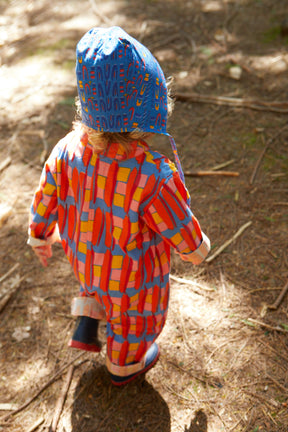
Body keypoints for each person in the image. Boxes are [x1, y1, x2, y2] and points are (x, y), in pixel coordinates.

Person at [28, 26, 210, 386]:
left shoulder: (67, 148)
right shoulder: (152, 173)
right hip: (131, 276)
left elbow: (46, 191)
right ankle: (124, 364)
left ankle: (88, 317)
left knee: (94, 284)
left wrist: (39, 234)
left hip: (84, 255)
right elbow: (177, 225)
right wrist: (197, 248)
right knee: (132, 317)